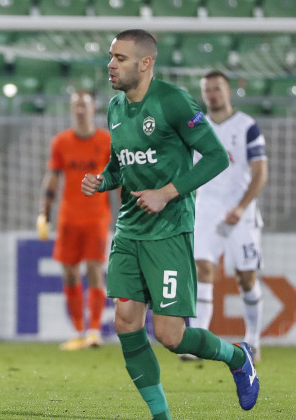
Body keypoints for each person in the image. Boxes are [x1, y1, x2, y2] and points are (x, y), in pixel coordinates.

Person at [81, 30, 259, 419]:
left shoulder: (173, 101)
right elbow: (120, 165)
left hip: (169, 232)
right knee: (126, 324)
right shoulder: (114, 107)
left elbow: (216, 157)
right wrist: (102, 180)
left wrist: (168, 192)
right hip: (128, 232)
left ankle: (237, 356)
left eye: (121, 58)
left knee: (170, 336)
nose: (110, 65)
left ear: (145, 63)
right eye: (111, 57)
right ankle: (161, 416)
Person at [183, 71, 267, 363]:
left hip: (239, 213)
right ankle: (199, 339)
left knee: (246, 277)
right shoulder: (196, 125)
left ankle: (253, 339)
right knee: (202, 268)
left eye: (217, 88)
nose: (212, 94)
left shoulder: (246, 126)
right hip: (205, 209)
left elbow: (260, 172)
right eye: (207, 90)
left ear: (228, 91)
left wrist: (242, 207)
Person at [37, 89, 112, 351]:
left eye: (85, 105)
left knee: (94, 269)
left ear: (94, 109)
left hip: (96, 217)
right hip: (68, 218)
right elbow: (53, 177)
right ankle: (79, 330)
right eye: (76, 105)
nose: (80, 110)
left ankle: (94, 331)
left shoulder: (106, 141)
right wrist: (44, 211)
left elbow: (119, 179)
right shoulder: (61, 142)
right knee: (69, 274)